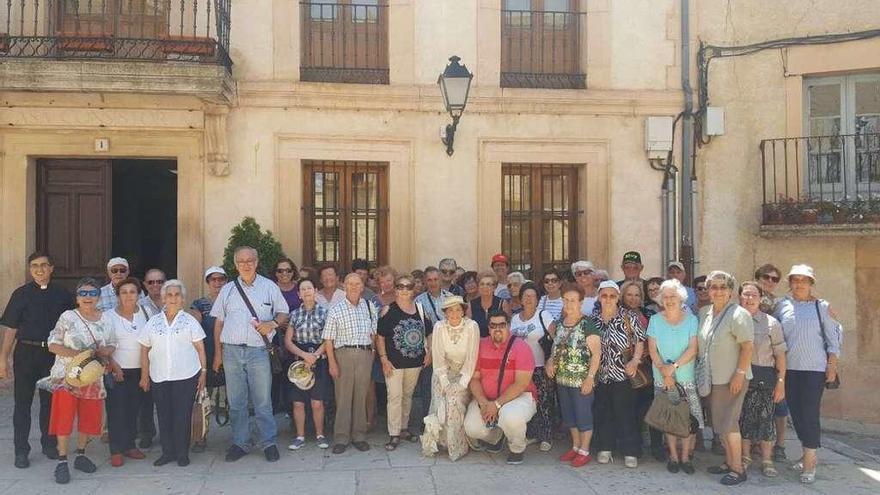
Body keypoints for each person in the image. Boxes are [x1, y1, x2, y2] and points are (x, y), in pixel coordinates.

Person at [211, 246, 290, 463]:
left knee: (263, 400)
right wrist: (218, 355)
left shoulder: (269, 287)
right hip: (232, 352)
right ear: (235, 265)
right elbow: (219, 323)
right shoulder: (227, 290)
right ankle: (240, 442)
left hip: (259, 351)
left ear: (256, 262)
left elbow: (284, 313)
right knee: (236, 401)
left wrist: (272, 323)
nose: (246, 264)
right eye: (241, 261)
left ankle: (269, 442)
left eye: (250, 260)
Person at [0, 252, 73, 468]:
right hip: (25, 354)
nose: (39, 270)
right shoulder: (20, 294)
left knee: (49, 403)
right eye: (34, 266)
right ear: (29, 270)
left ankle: (49, 445)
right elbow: (11, 329)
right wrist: (3, 359)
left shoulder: (62, 294)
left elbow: (71, 326)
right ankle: (21, 451)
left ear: (51, 268)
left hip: (52, 355)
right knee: (22, 404)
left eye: (43, 265)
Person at [41, 278, 116, 484]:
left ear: (99, 297)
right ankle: (62, 460)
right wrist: (80, 355)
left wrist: (104, 351)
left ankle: (81, 454)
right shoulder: (67, 317)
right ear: (77, 297)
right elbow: (52, 345)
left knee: (89, 418)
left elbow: (111, 345)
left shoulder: (106, 319)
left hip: (92, 377)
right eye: (83, 293)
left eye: (92, 293)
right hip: (67, 377)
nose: (87, 297)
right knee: (64, 418)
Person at [774, 264, 842, 484]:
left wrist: (832, 365)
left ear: (811, 283)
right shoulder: (782, 306)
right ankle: (806, 455)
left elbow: (834, 338)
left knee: (810, 414)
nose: (799, 283)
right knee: (796, 413)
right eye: (795, 279)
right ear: (790, 282)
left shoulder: (822, 307)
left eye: (804, 280)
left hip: (814, 369)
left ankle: (810, 462)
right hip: (789, 369)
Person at [138, 280, 207, 468]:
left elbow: (200, 349)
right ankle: (167, 452)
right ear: (163, 298)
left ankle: (182, 453)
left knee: (182, 415)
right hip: (160, 376)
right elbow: (144, 349)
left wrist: (203, 373)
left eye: (177, 295)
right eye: (169, 295)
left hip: (185, 375)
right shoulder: (153, 322)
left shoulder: (190, 321)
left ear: (183, 299)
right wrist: (145, 375)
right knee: (163, 415)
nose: (173, 298)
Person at [699, 270, 754, 486]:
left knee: (730, 423)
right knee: (720, 424)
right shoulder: (705, 313)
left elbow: (747, 347)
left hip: (731, 379)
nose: (718, 291)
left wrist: (739, 374)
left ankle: (738, 468)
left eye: (723, 287)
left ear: (730, 291)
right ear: (708, 290)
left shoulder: (739, 314)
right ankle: (728, 462)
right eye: (714, 287)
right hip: (711, 379)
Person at [464, 310, 537, 465]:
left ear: (509, 326)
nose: (497, 329)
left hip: (518, 397)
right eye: (493, 325)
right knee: (472, 428)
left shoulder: (521, 347)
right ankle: (496, 436)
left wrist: (496, 405)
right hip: (487, 399)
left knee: (511, 417)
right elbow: (474, 379)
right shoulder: (480, 346)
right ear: (488, 328)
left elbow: (521, 384)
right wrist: (484, 403)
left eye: (502, 325)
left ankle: (517, 448)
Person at [646, 279, 703, 475]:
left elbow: (693, 348)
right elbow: (652, 350)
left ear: (681, 298)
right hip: (662, 377)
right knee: (670, 420)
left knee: (686, 419)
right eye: (666, 296)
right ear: (661, 299)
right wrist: (664, 370)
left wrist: (674, 367)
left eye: (673, 296)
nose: (669, 300)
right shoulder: (655, 320)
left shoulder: (691, 319)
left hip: (685, 376)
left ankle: (686, 457)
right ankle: (673, 456)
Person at [590, 281, 645, 468]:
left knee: (625, 413)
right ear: (599, 297)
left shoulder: (628, 316)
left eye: (612, 296)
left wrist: (635, 361)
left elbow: (639, 340)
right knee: (603, 411)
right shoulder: (593, 318)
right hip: (601, 374)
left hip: (623, 373)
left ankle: (630, 451)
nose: (608, 299)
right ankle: (605, 447)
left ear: (618, 298)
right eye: (604, 296)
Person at [322, 273, 378, 454]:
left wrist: (373, 353)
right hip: (343, 354)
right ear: (344, 286)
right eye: (350, 284)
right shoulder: (336, 309)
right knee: (343, 397)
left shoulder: (370, 307)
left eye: (357, 283)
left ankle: (359, 436)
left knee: (361, 397)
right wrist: (332, 362)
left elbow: (374, 334)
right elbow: (328, 339)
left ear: (362, 286)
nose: (354, 287)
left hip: (364, 354)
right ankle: (341, 437)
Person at [546, 285, 601, 467]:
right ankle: (576, 446)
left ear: (581, 302)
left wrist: (590, 378)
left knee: (583, 415)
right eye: (566, 300)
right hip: (562, 379)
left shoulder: (587, 324)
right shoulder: (561, 323)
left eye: (572, 300)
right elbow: (555, 347)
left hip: (581, 380)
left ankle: (585, 450)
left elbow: (596, 354)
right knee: (569, 415)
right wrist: (550, 362)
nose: (569, 303)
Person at [421, 295, 480, 461]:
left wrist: (462, 382)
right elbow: (438, 357)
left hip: (464, 374)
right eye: (450, 310)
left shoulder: (472, 326)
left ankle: (457, 447)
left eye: (457, 309)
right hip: (443, 372)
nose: (454, 313)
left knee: (454, 402)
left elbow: (472, 357)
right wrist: (445, 382)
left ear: (463, 311)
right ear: (445, 313)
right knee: (440, 402)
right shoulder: (439, 326)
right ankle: (439, 442)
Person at [738, 281, 787, 478]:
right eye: (746, 294)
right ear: (739, 297)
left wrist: (781, 381)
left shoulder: (771, 323)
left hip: (764, 374)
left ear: (760, 298)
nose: (749, 299)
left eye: (753, 295)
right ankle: (745, 456)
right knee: (743, 418)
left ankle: (767, 459)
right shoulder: (733, 320)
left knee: (766, 419)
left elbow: (781, 355)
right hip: (739, 375)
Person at [378, 274, 432, 450]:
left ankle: (403, 428)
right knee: (394, 396)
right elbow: (380, 337)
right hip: (393, 363)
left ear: (413, 289)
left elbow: (429, 332)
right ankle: (393, 433)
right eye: (400, 286)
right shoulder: (388, 310)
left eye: (408, 286)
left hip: (415, 362)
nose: (404, 290)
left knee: (407, 396)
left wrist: (429, 352)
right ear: (395, 289)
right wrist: (384, 359)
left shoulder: (420, 309)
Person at [105, 277, 150, 467]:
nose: (128, 295)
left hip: (139, 370)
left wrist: (145, 374)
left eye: (132, 292)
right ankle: (116, 449)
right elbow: (103, 345)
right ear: (117, 296)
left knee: (133, 409)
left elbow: (149, 343)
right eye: (124, 292)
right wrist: (114, 366)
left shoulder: (146, 313)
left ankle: (130, 445)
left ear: (139, 295)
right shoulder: (108, 316)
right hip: (117, 371)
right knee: (116, 411)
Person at [284, 280, 331, 450]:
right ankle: (300, 436)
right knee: (298, 402)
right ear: (299, 294)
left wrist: (315, 355)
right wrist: (304, 355)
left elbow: (328, 339)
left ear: (315, 290)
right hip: (299, 359)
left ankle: (320, 435)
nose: (306, 291)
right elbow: (288, 341)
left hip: (319, 357)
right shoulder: (294, 314)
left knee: (316, 402)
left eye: (309, 288)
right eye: (302, 289)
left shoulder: (325, 313)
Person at [620, 280, 664, 461]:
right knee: (632, 410)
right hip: (627, 368)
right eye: (629, 294)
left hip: (649, 366)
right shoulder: (618, 314)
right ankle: (633, 447)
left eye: (637, 295)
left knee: (651, 406)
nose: (633, 298)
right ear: (623, 296)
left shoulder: (649, 313)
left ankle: (656, 446)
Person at [510, 283, 556, 452]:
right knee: (525, 402)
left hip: (540, 367)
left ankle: (547, 436)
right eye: (525, 296)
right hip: (521, 370)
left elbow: (557, 338)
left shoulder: (544, 315)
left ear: (538, 299)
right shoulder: (515, 318)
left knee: (544, 402)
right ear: (520, 299)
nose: (528, 299)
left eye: (532, 296)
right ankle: (531, 434)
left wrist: (552, 359)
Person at [188, 266, 227, 452]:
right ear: (208, 282)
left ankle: (240, 438)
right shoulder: (199, 304)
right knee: (203, 398)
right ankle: (200, 437)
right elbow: (194, 326)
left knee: (238, 399)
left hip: (232, 355)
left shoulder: (232, 300)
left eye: (221, 279)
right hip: (207, 354)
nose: (218, 282)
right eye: (214, 279)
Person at [753, 262, 787, 462]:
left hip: (776, 360)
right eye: (766, 277)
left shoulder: (782, 303)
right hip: (755, 361)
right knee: (754, 406)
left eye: (775, 278)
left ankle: (780, 445)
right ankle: (756, 443)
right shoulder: (748, 297)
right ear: (758, 278)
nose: (770, 281)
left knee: (780, 406)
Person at [135, 268, 164, 448]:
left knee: (166, 400)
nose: (156, 285)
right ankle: (146, 434)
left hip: (166, 357)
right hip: (147, 357)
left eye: (159, 281)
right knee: (145, 400)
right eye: (151, 282)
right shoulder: (139, 306)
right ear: (145, 285)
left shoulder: (173, 301)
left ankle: (169, 433)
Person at [467, 271, 507, 337]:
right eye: (482, 284)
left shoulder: (502, 303)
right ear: (478, 287)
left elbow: (506, 328)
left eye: (488, 284)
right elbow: (468, 329)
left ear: (494, 287)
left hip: (497, 343)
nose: (485, 287)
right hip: (477, 343)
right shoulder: (471, 305)